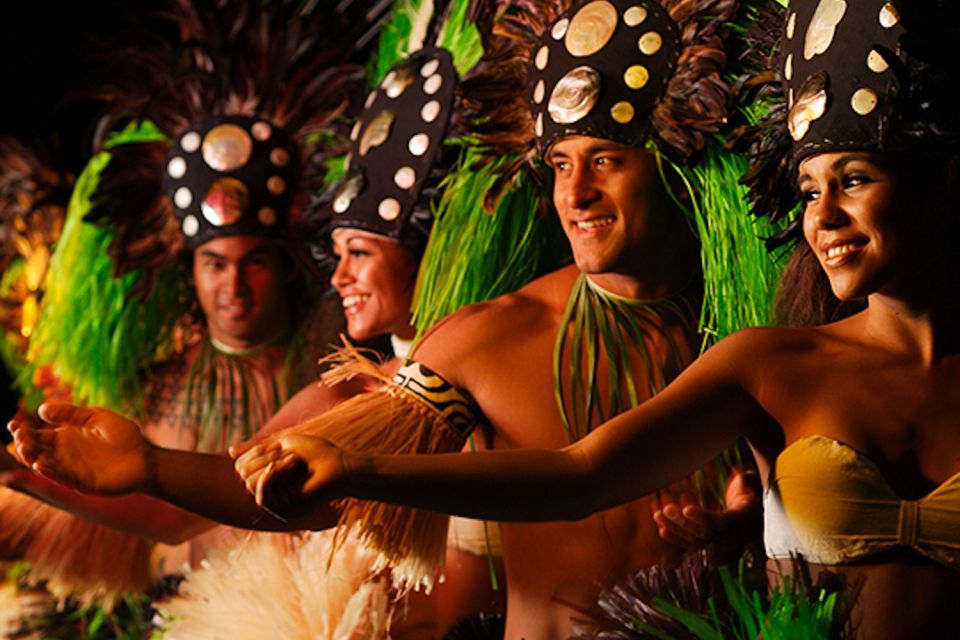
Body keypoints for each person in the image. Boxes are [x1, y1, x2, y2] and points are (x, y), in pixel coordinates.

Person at [8, 0, 777, 637]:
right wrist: (149, 465)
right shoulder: (488, 339)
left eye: (606, 159)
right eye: (560, 165)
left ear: (670, 161)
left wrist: (742, 531)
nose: (574, 195)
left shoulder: (751, 335)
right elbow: (304, 483)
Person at [206, 0, 960, 637]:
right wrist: (361, 470)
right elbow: (581, 473)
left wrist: (739, 533)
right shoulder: (770, 363)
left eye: (853, 180)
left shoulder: (722, 323)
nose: (821, 216)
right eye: (805, 190)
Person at [0, 0, 363, 619]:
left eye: (254, 262)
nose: (235, 286)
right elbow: (150, 532)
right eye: (215, 264)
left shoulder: (330, 377)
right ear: (190, 272)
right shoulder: (158, 392)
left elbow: (176, 514)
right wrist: (25, 479)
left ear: (283, 267)